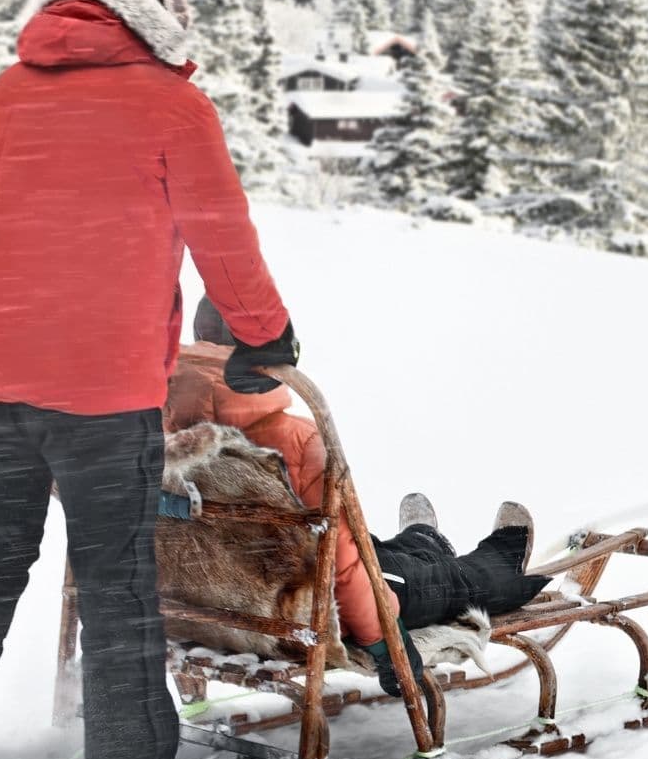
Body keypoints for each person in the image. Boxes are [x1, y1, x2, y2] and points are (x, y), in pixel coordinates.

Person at [0, 0, 299, 759]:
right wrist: (265, 334)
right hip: (103, 388)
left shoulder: (2, 94)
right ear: (154, 0)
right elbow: (221, 237)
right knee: (117, 581)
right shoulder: (169, 103)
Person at [168, 298, 548, 697]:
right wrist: (388, 645)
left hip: (215, 610)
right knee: (440, 581)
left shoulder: (161, 433)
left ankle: (422, 541)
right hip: (303, 615)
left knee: (376, 554)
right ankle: (498, 561)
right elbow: (345, 564)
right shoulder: (292, 439)